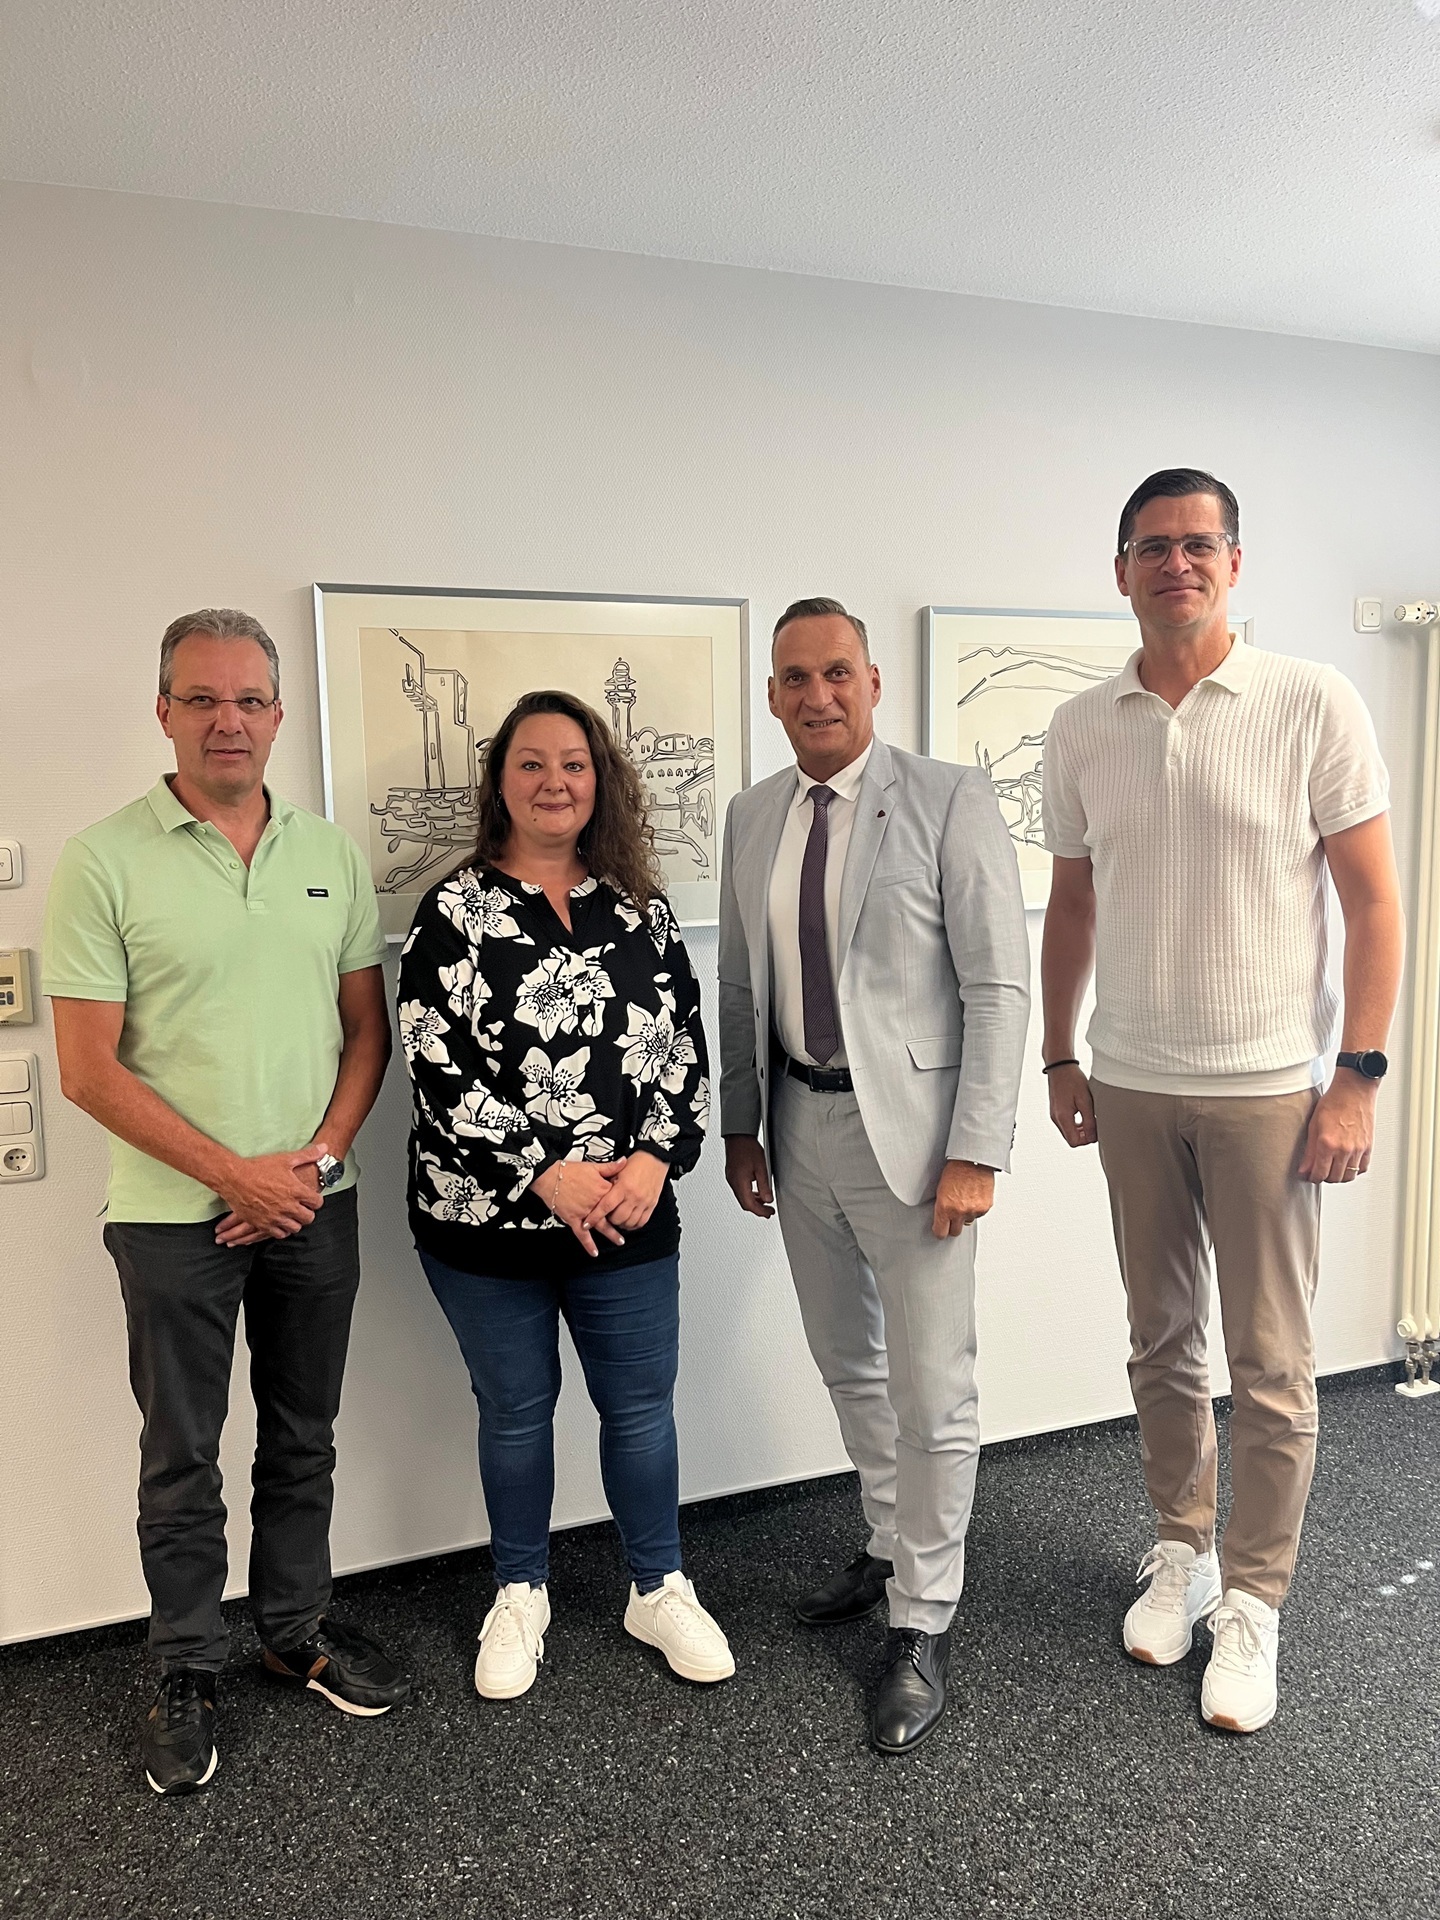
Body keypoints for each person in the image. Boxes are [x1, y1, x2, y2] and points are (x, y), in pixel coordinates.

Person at [1040, 469, 1403, 1733]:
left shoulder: (1310, 701)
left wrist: (1354, 1078)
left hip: (1266, 1090)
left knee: (1273, 1362)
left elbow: (1372, 902)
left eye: (1200, 545)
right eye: (1154, 546)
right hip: (1132, 1079)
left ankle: (1253, 1603)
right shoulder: (1085, 726)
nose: (1176, 564)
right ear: (1122, 566)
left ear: (1235, 564)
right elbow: (1073, 906)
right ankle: (1181, 1550)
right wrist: (1059, 1054)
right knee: (1162, 1341)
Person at [43, 608, 408, 1798]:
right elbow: (90, 1069)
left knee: (304, 1437)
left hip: (314, 1200)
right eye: (201, 699)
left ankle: (294, 1628)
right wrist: (230, 1175)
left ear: (279, 716)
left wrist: (312, 1160)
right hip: (170, 1220)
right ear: (162, 711)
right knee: (182, 1455)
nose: (229, 721)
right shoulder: (104, 859)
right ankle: (185, 1664)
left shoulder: (329, 852)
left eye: (250, 700)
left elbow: (369, 1033)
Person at [718, 598, 1029, 1755]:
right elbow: (743, 987)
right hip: (797, 1123)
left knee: (933, 1387)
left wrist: (977, 1149)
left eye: (836, 672)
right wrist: (741, 1126)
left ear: (873, 680)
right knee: (848, 1360)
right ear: (770, 695)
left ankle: (923, 1619)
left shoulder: (949, 799)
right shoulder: (755, 814)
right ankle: (892, 1539)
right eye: (793, 678)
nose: (816, 696)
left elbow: (999, 986)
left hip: (919, 1141)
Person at [396, 688, 733, 1701]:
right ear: (501, 779)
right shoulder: (452, 912)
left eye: (575, 764)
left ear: (602, 781)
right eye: (533, 763)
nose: (555, 782)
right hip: (483, 1221)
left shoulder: (641, 907)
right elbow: (434, 1065)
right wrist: (545, 1168)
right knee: (516, 1412)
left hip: (626, 1215)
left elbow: (683, 1046)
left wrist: (650, 1163)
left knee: (639, 1412)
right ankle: (521, 1591)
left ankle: (656, 1583)